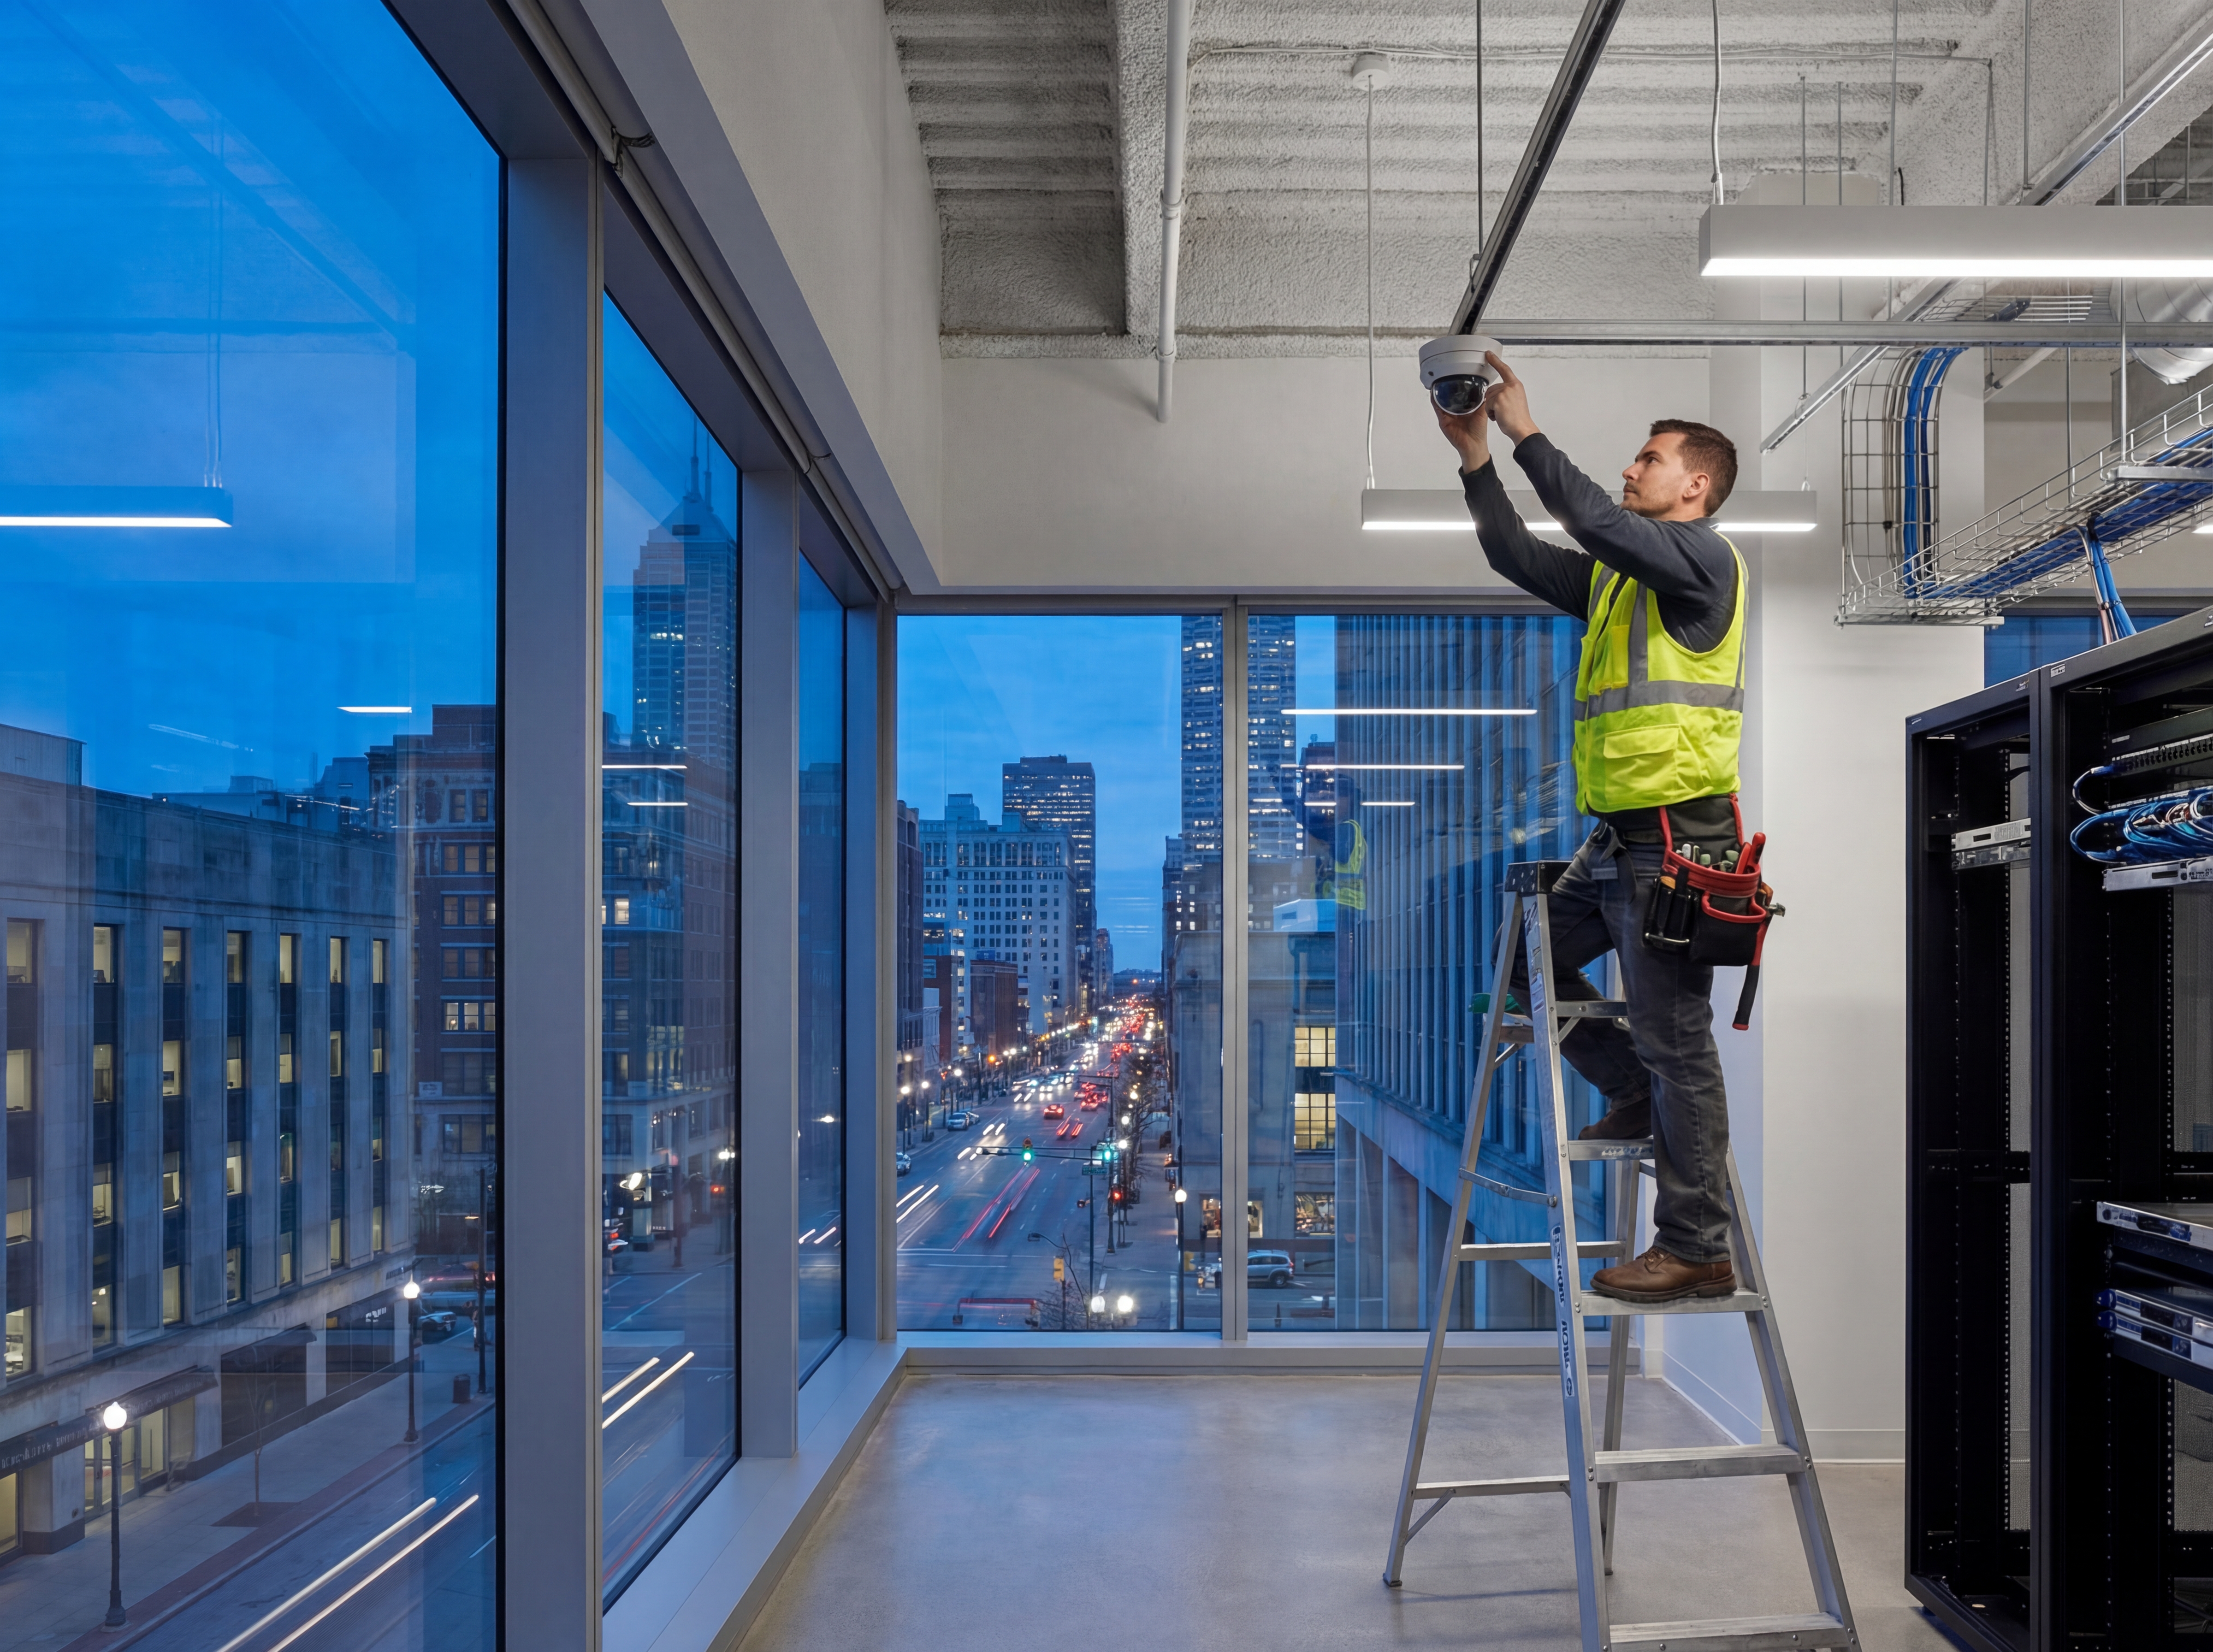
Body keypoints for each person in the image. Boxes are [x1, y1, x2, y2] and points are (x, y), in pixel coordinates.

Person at [1435, 352, 1747, 1305]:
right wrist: (1478, 459)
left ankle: (1694, 1243)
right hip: (1615, 841)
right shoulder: (1622, 584)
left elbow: (1594, 521)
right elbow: (1518, 556)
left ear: (1695, 485)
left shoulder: (1703, 562)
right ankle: (1633, 1091)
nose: (1630, 470)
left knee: (1677, 1037)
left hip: (1676, 847)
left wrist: (1529, 432)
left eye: (1648, 459)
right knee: (1515, 964)